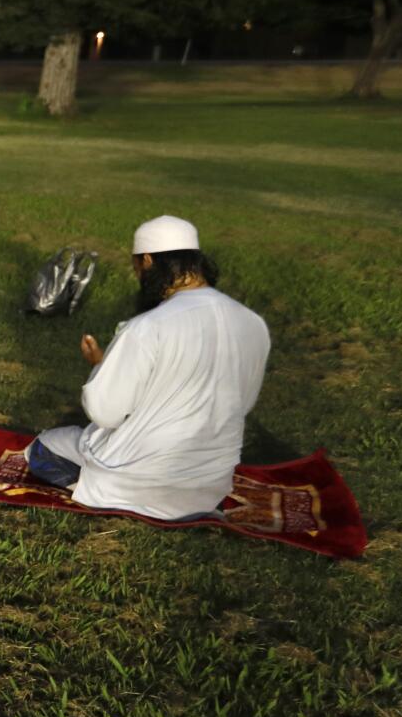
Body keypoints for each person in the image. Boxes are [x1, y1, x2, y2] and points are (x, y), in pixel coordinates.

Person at [29, 216, 270, 520]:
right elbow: (242, 401)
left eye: (137, 268)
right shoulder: (252, 322)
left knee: (43, 447)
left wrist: (101, 370)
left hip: (139, 480)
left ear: (146, 261)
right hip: (209, 487)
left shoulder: (147, 326)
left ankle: (113, 495)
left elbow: (106, 412)